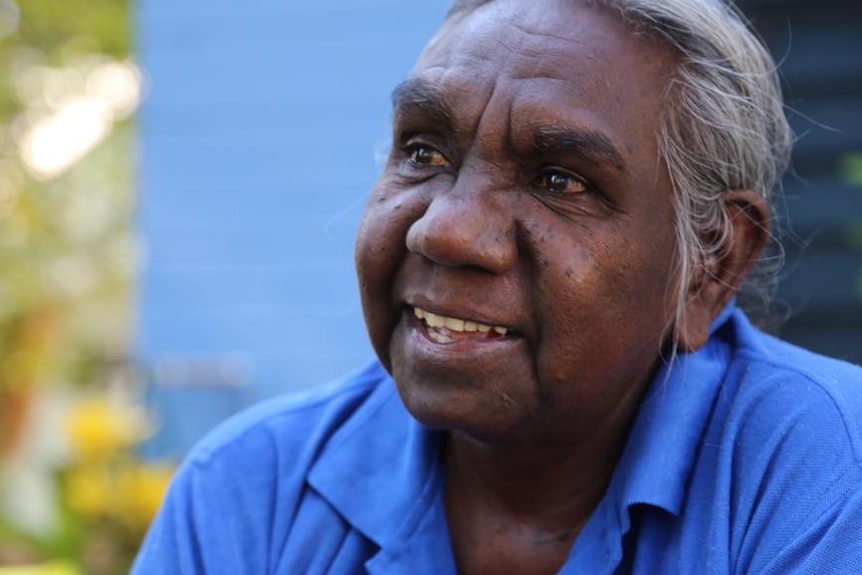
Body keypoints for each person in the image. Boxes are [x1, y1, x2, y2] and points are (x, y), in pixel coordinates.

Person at [131, 0, 862, 573]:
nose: (443, 231)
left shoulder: (826, 476)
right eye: (422, 150)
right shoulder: (247, 494)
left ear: (711, 260)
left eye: (559, 179)